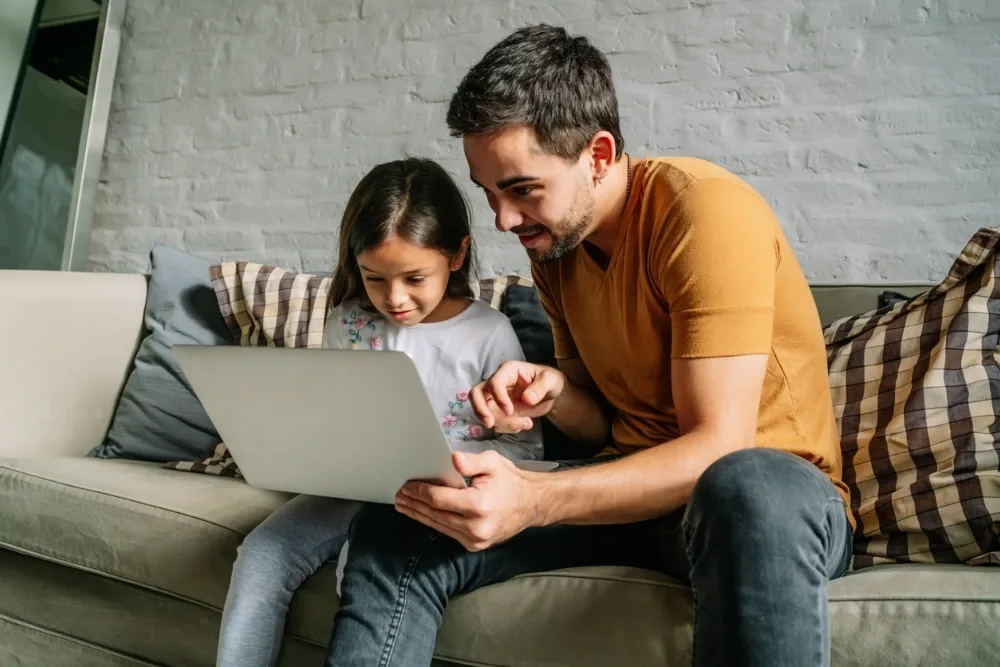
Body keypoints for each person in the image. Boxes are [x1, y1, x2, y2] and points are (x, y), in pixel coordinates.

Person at [326, 25, 853, 667]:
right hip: (631, 498)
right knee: (406, 517)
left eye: (522, 189)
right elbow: (603, 425)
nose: (503, 220)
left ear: (597, 155)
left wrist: (534, 499)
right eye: (488, 192)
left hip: (770, 508)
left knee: (744, 484)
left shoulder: (702, 212)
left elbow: (720, 447)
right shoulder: (557, 249)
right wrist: (550, 398)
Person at [215, 157, 543, 667]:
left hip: (433, 499)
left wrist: (487, 437)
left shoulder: (489, 331)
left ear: (458, 255)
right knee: (261, 553)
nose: (395, 298)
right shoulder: (348, 321)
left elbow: (526, 449)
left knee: (365, 562)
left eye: (415, 278)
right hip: (353, 488)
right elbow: (330, 417)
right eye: (374, 278)